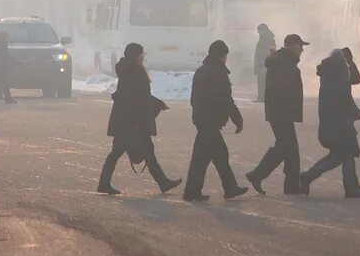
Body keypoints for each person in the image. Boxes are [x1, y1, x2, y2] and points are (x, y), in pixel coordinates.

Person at [97, 43, 182, 195]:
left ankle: (162, 182)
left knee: (130, 151)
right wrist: (137, 121)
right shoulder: (133, 72)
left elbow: (138, 96)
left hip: (127, 120)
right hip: (130, 121)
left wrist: (156, 103)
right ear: (136, 55)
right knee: (135, 151)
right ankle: (162, 182)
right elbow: (134, 99)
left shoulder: (128, 70)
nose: (143, 57)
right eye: (141, 54)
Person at [300, 48, 360, 198]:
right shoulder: (337, 80)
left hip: (333, 125)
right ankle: (350, 187)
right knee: (346, 154)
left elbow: (356, 79)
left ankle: (310, 177)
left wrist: (349, 62)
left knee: (340, 156)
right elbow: (344, 100)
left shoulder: (332, 76)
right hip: (338, 126)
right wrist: (353, 113)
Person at [183, 40, 247, 202]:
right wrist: (236, 118)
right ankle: (227, 188)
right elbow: (225, 99)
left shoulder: (203, 71)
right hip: (209, 121)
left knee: (207, 156)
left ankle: (198, 190)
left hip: (203, 120)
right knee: (217, 154)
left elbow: (195, 99)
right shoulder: (216, 73)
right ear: (221, 56)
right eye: (225, 55)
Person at [246, 33, 309, 195]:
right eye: (300, 46)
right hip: (281, 113)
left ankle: (288, 184)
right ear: (293, 46)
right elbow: (284, 91)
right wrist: (289, 111)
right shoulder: (284, 63)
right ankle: (261, 176)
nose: (302, 50)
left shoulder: (283, 61)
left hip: (280, 113)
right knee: (289, 149)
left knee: (287, 148)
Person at [253, 23, 276, 102]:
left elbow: (270, 53)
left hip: (264, 66)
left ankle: (262, 98)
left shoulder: (268, 39)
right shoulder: (265, 38)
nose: (259, 33)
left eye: (259, 31)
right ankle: (261, 97)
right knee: (261, 82)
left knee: (263, 82)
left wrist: (266, 66)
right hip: (262, 65)